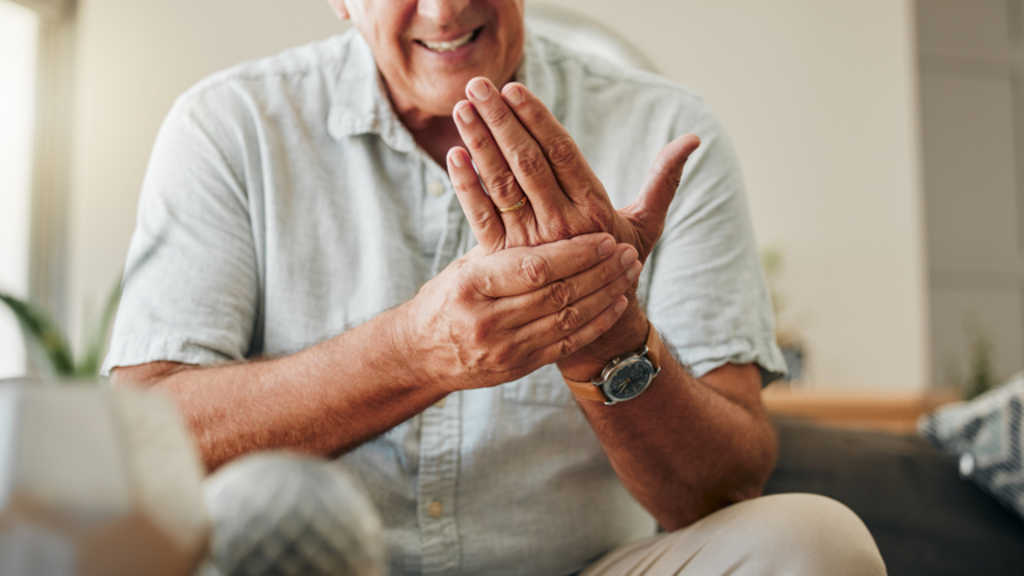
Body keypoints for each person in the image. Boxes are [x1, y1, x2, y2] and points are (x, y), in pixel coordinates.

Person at [104, 0, 888, 574]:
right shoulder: (229, 125)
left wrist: (609, 337)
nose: (446, 11)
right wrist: (417, 353)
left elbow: (721, 493)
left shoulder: (666, 129)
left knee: (816, 546)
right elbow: (144, 444)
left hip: (584, 567)